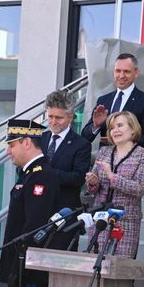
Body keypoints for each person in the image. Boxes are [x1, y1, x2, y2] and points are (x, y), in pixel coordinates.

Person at [0, 119, 59, 287]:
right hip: (20, 264)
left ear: (27, 143)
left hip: (29, 268)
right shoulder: (29, 174)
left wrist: (19, 266)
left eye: (12, 145)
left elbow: (34, 226)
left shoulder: (41, 175)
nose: (8, 151)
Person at [84, 111, 144, 258]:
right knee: (94, 262)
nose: (115, 130)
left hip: (126, 221)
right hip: (101, 219)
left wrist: (112, 176)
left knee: (121, 267)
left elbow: (139, 188)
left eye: (120, 125)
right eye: (112, 127)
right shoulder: (104, 152)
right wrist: (92, 183)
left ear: (133, 128)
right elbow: (94, 188)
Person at [41, 89, 91, 250]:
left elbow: (77, 178)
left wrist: (45, 173)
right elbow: (23, 170)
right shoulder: (39, 139)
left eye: (59, 117)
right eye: (50, 116)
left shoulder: (81, 144)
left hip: (65, 212)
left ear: (70, 117)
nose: (53, 121)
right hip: (38, 210)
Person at [81, 53, 144, 149]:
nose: (121, 76)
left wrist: (121, 138)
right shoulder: (103, 100)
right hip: (105, 156)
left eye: (126, 71)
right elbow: (85, 137)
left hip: (130, 156)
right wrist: (96, 125)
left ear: (136, 73)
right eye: (118, 71)